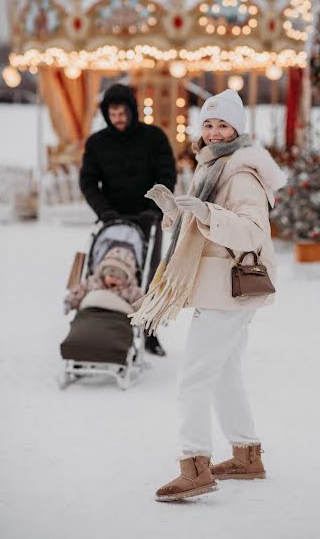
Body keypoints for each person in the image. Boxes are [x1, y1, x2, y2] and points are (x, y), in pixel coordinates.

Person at [131, 89, 286, 501]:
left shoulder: (239, 173)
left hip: (228, 291)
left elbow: (252, 232)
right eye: (209, 124)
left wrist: (207, 214)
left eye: (223, 124)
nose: (214, 132)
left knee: (193, 380)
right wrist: (175, 216)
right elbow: (202, 231)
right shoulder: (213, 167)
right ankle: (246, 454)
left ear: (237, 128)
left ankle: (194, 464)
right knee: (223, 375)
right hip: (220, 288)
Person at [79, 83, 177, 356]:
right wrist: (104, 212)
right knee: (111, 273)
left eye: (122, 113)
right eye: (112, 114)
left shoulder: (154, 137)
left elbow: (167, 176)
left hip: (147, 219)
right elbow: (87, 182)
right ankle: (108, 329)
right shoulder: (97, 143)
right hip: (112, 221)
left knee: (149, 279)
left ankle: (149, 334)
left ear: (132, 111)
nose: (118, 118)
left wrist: (154, 210)